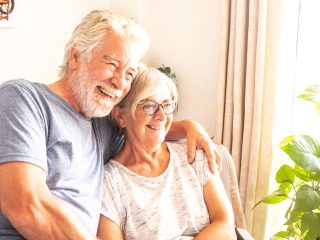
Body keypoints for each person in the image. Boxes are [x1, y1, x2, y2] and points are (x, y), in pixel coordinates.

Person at [0, 10, 221, 239]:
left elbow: (143, 124)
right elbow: (26, 206)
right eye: (112, 64)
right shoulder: (23, 99)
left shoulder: (100, 122)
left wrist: (188, 127)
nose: (119, 82)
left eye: (129, 73)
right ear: (76, 56)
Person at [97, 65, 236, 240]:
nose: (162, 116)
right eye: (148, 106)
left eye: (167, 105)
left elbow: (225, 225)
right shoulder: (110, 183)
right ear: (120, 116)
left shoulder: (194, 156)